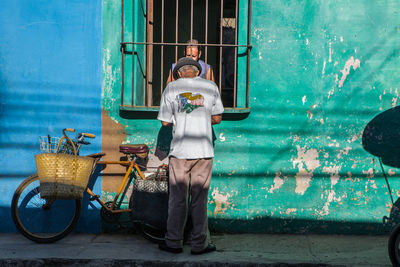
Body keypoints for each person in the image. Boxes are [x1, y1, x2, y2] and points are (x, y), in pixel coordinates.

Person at [157, 57, 224, 255]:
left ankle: (173, 242)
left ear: (179, 72)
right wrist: (201, 118)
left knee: (177, 199)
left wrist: (183, 116)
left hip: (179, 152)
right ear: (198, 71)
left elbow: (165, 123)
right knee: (199, 200)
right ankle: (199, 244)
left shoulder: (171, 88)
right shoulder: (211, 86)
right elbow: (218, 117)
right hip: (204, 151)